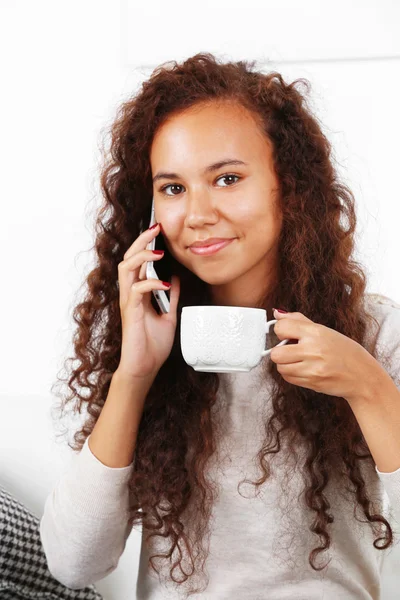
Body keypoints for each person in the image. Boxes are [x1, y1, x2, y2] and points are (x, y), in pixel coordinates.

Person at [40, 52, 400, 599]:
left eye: (227, 178)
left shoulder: (374, 332)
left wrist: (369, 389)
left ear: (291, 186)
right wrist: (134, 375)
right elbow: (73, 563)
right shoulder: (149, 334)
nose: (198, 214)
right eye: (174, 188)